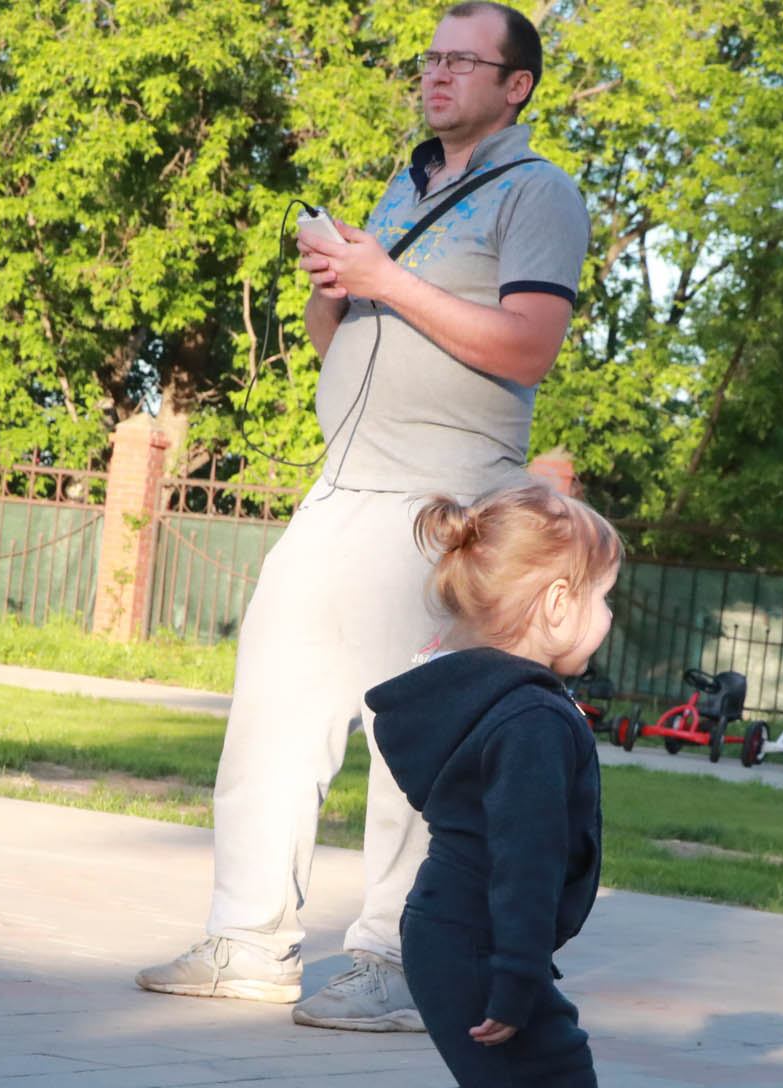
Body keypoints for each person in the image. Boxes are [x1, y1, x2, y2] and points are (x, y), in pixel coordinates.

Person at [133, 2, 590, 1033]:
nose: (437, 75)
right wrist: (336, 288)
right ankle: (247, 942)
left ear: (515, 85)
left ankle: (396, 960)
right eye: (430, 59)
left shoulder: (538, 191)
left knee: (414, 746)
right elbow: (343, 344)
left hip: (444, 501)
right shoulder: (403, 184)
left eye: (463, 61)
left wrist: (386, 277)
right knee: (271, 716)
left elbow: (526, 347)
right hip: (339, 488)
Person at [320, 482, 623, 1088]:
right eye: (603, 596)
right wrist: (516, 973)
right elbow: (525, 861)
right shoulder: (530, 719)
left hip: (452, 930)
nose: (608, 615)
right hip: (481, 938)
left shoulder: (486, 699)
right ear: (556, 602)